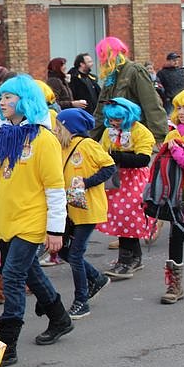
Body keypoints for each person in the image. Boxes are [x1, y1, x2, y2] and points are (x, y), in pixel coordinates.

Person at [0, 74, 73, 367]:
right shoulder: (1, 136)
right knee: (30, 272)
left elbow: (55, 190)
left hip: (31, 222)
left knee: (14, 277)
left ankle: (8, 344)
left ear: (26, 101)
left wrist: (56, 229)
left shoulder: (44, 139)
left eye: (9, 97)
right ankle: (59, 318)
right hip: (7, 221)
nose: (2, 101)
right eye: (2, 97)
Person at [52, 109, 116, 318]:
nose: (55, 130)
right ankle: (96, 278)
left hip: (88, 208)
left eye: (59, 127)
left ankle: (82, 300)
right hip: (70, 208)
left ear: (70, 128)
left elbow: (109, 167)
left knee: (76, 254)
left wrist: (86, 182)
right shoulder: (61, 147)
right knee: (62, 250)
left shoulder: (87, 145)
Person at [96, 97, 156, 280]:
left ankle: (125, 262)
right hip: (117, 179)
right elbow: (101, 151)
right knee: (122, 217)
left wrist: (119, 157)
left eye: (118, 119)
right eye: (111, 119)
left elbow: (144, 159)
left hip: (135, 179)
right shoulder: (109, 132)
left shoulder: (140, 132)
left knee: (128, 216)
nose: (114, 123)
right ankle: (135, 258)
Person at [92, 37, 167, 142]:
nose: (103, 59)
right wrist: (88, 139)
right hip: (117, 135)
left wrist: (160, 136)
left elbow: (152, 104)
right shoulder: (111, 77)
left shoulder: (134, 71)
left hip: (137, 134)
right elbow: (101, 111)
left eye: (105, 54)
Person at [157, 89, 184, 303]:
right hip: (177, 197)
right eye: (179, 108)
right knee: (175, 239)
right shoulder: (172, 132)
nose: (183, 112)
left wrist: (176, 151)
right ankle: (174, 286)